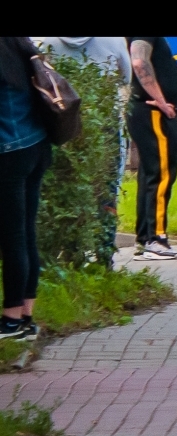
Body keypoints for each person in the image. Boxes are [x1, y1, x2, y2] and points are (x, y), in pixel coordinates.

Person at [36, 37, 132, 262]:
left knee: (64, 187)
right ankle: (104, 253)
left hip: (62, 122)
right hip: (103, 120)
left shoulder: (45, 40)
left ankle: (69, 253)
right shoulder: (114, 39)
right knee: (106, 189)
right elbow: (125, 77)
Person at [124, 37, 177, 259]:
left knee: (149, 174)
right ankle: (156, 238)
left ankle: (145, 238)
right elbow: (139, 62)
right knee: (161, 174)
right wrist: (162, 101)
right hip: (154, 111)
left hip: (147, 109)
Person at [0, 38, 49, 340]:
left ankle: (11, 319)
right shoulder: (20, 44)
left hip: (10, 151)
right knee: (26, 232)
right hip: (36, 145)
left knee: (12, 237)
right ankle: (26, 316)